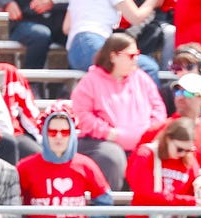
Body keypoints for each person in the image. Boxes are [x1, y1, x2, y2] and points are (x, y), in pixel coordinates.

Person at [70, 33, 166, 192]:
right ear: (113, 56)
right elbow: (83, 114)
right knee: (112, 157)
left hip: (142, 140)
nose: (136, 59)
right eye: (131, 55)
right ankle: (110, 209)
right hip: (102, 141)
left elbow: (158, 109)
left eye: (137, 54)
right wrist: (110, 133)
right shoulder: (90, 81)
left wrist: (148, 132)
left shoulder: (142, 78)